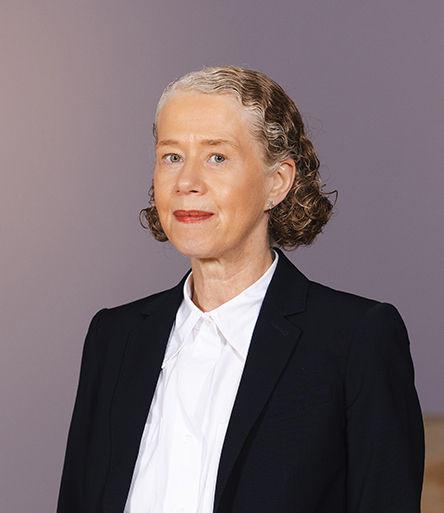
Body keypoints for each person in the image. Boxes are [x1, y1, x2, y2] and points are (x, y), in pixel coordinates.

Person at [57, 66, 424, 513]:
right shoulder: (114, 337)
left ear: (277, 182)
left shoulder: (355, 339)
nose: (186, 182)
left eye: (217, 157)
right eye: (171, 156)